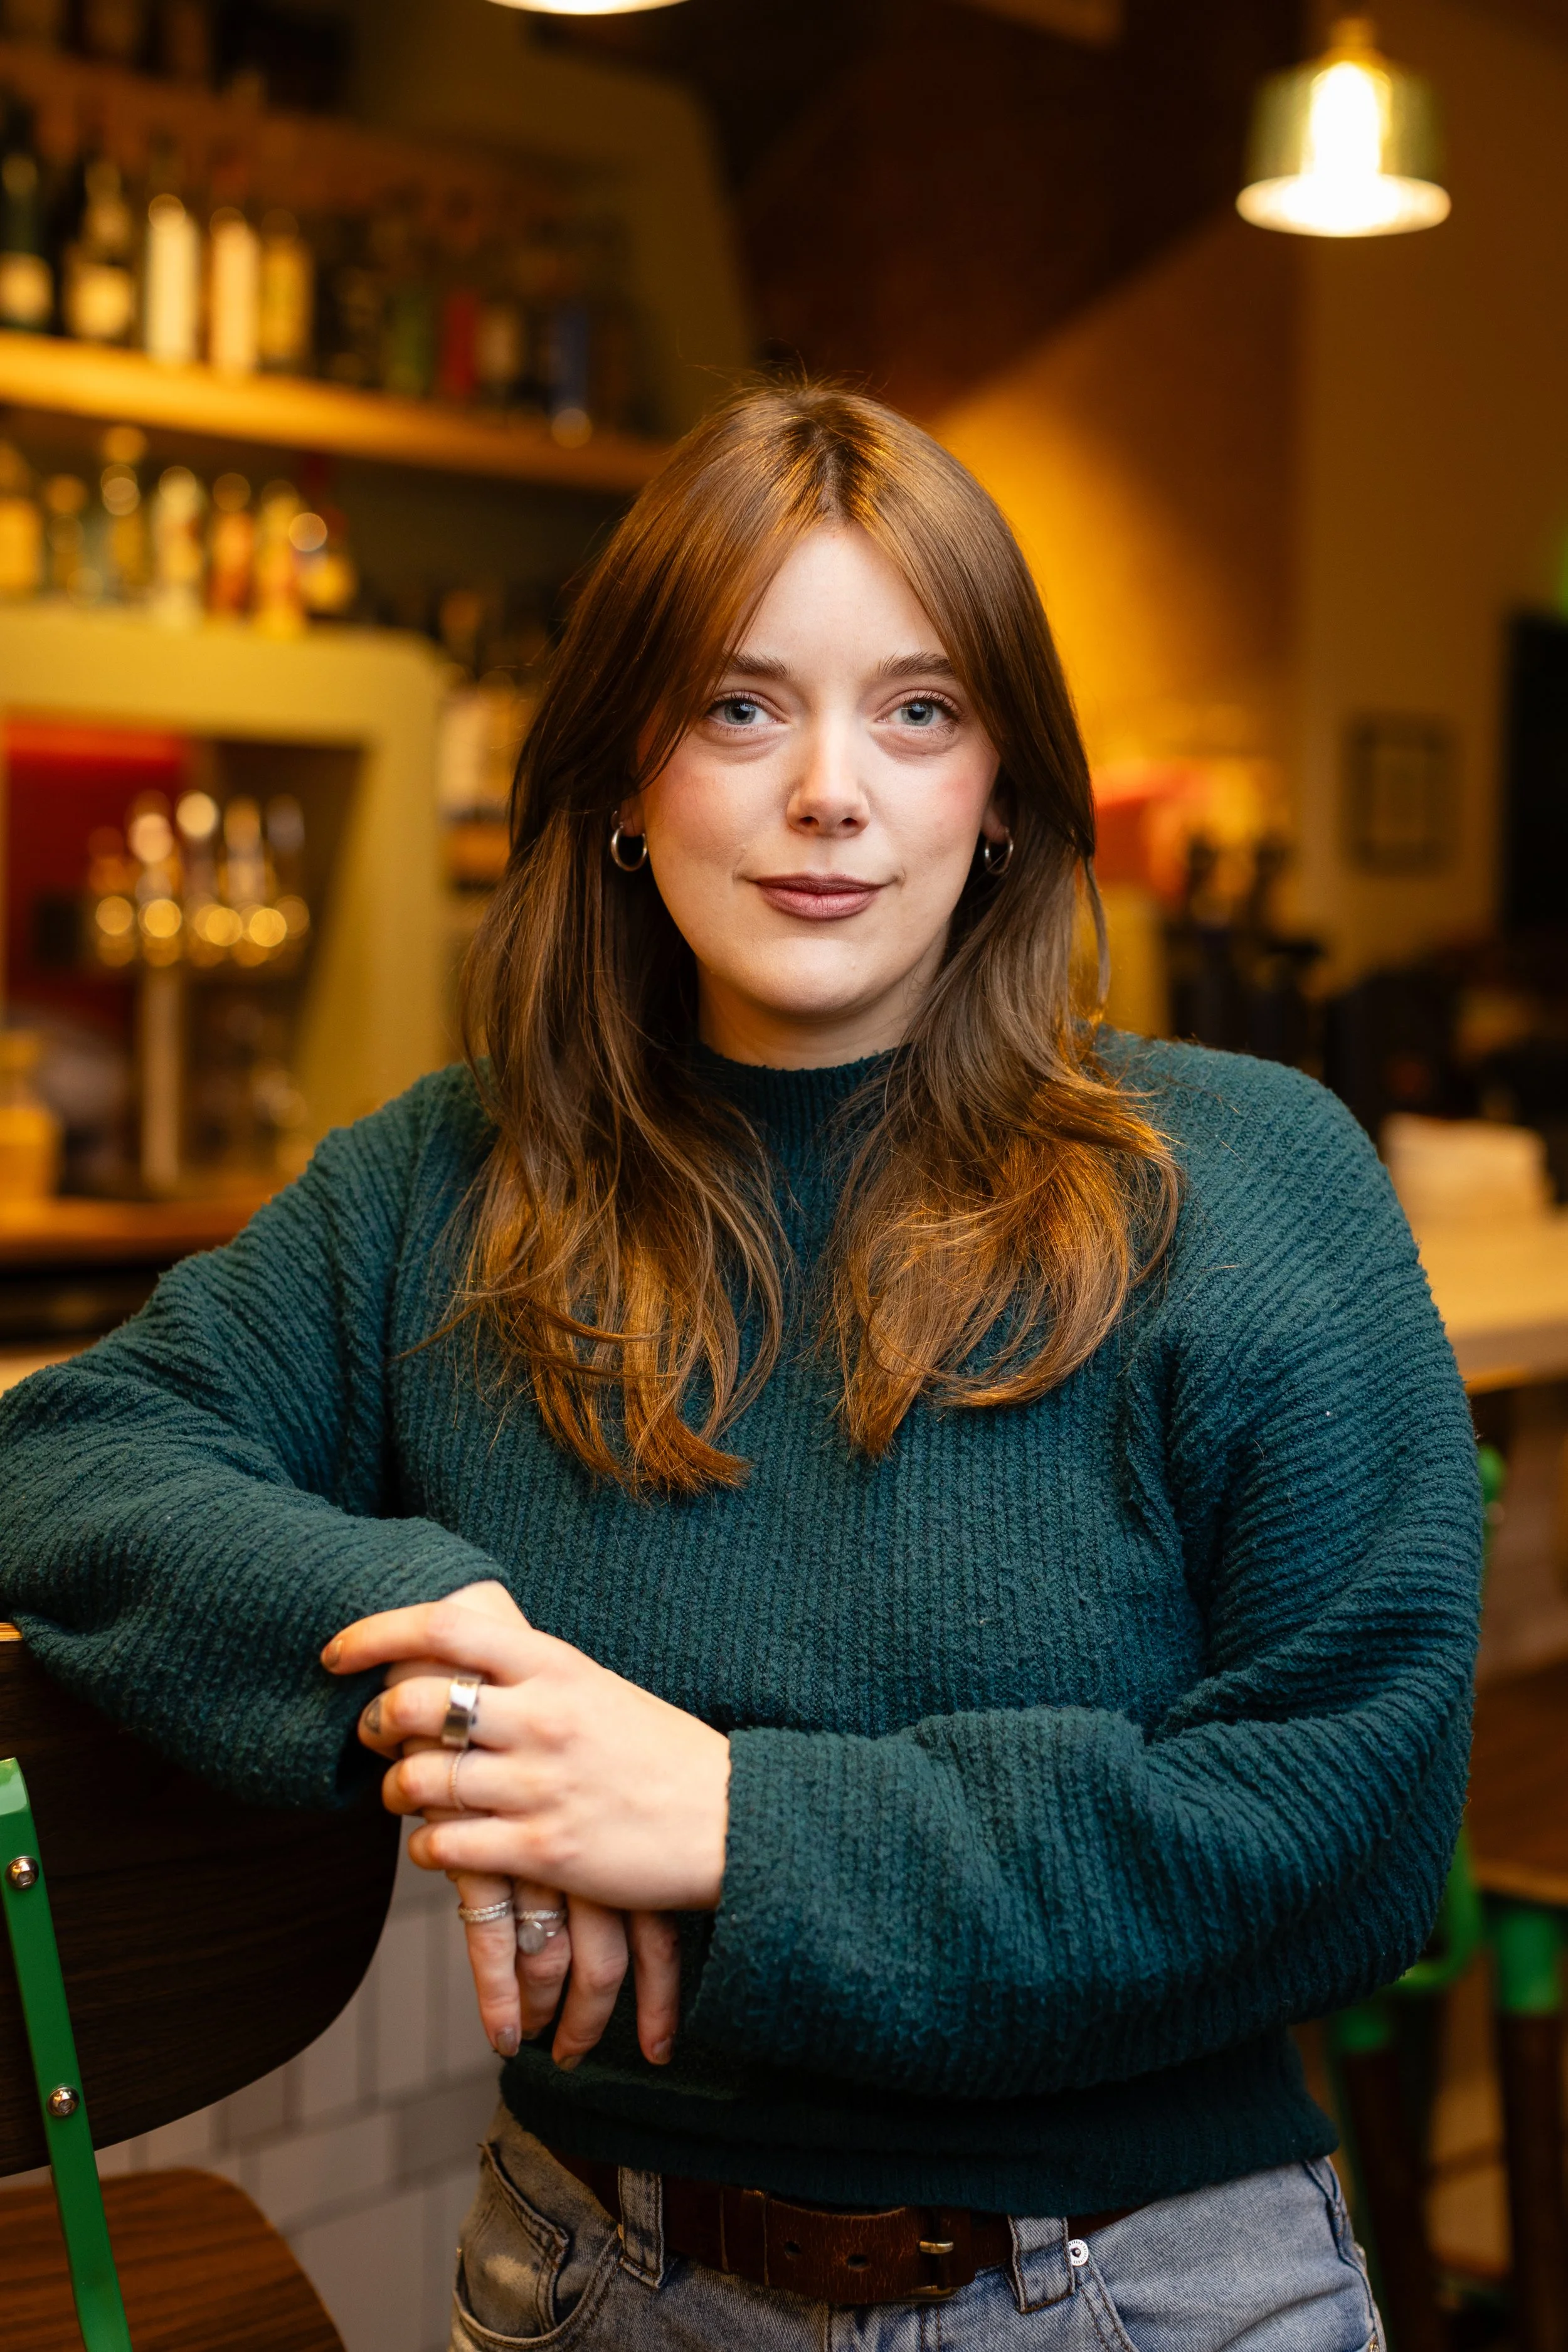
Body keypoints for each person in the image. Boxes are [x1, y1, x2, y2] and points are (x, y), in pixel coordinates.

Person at [0, 384, 1480, 2351]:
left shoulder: (1251, 1176)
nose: (831, 794)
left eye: (919, 709)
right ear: (624, 768)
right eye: (740, 705)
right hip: (585, 2278)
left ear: (1006, 790)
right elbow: (71, 1449)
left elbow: (1353, 1825)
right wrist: (438, 1653)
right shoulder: (443, 1185)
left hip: (1135, 2287)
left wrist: (723, 1821)